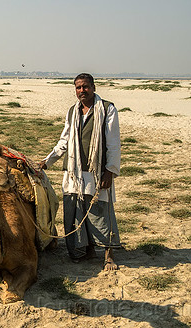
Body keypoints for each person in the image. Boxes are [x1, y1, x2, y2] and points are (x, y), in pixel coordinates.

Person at [39, 73, 121, 271]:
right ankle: (85, 250)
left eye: (85, 87)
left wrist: (110, 171)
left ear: (93, 87)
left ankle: (108, 254)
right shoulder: (72, 112)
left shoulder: (107, 109)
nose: (82, 91)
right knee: (75, 210)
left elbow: (113, 144)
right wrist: (47, 162)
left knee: (100, 211)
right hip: (73, 171)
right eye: (78, 88)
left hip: (96, 171)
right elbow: (64, 141)